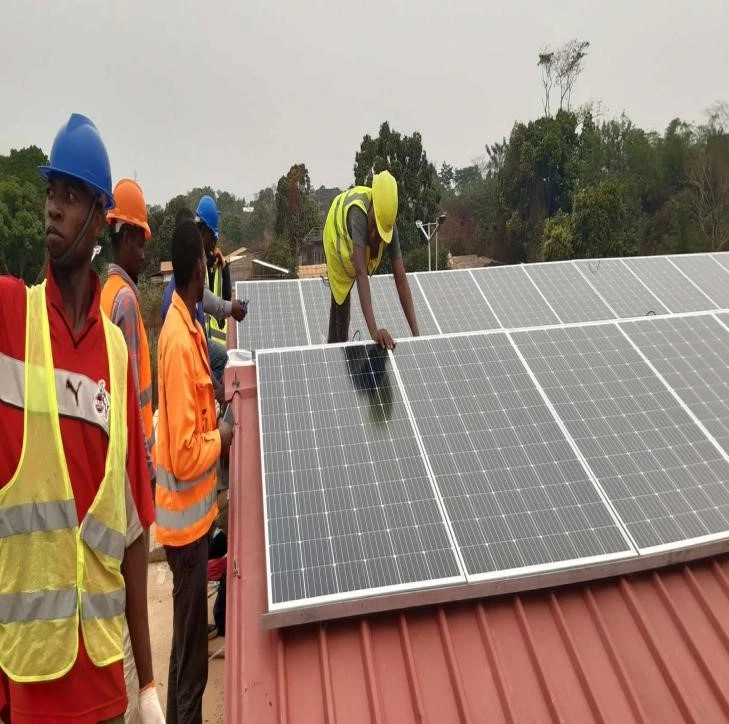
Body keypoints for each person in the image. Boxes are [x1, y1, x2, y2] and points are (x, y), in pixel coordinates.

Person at [0, 114, 164, 723]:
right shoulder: (13, 316)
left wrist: (147, 684)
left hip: (102, 685)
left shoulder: (117, 357)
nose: (53, 208)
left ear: (99, 220)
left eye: (70, 195)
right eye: (51, 192)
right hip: (31, 681)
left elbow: (131, 526)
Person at [155, 219, 234, 723]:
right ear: (198, 269)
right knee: (192, 669)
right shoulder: (180, 343)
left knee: (184, 652)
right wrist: (222, 436)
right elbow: (185, 453)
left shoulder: (186, 325)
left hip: (193, 524)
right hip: (185, 534)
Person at [100, 178, 157, 723]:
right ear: (119, 237)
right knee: (128, 600)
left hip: (117, 468)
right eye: (138, 240)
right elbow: (127, 398)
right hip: (129, 472)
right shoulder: (123, 299)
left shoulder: (102, 295)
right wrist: (143, 472)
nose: (143, 252)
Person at [323, 170, 419, 349]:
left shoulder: (388, 222)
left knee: (342, 311)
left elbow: (401, 280)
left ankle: (336, 349)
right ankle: (335, 351)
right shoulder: (357, 213)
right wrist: (374, 331)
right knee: (341, 308)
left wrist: (417, 336)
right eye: (375, 227)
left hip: (358, 251)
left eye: (381, 232)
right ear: (372, 204)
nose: (376, 234)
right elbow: (360, 274)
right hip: (337, 241)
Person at [160, 203, 246, 383]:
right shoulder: (176, 308)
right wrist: (214, 390)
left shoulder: (189, 288)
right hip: (192, 361)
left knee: (220, 357)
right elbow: (193, 370)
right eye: (212, 240)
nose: (213, 247)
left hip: (200, 346)